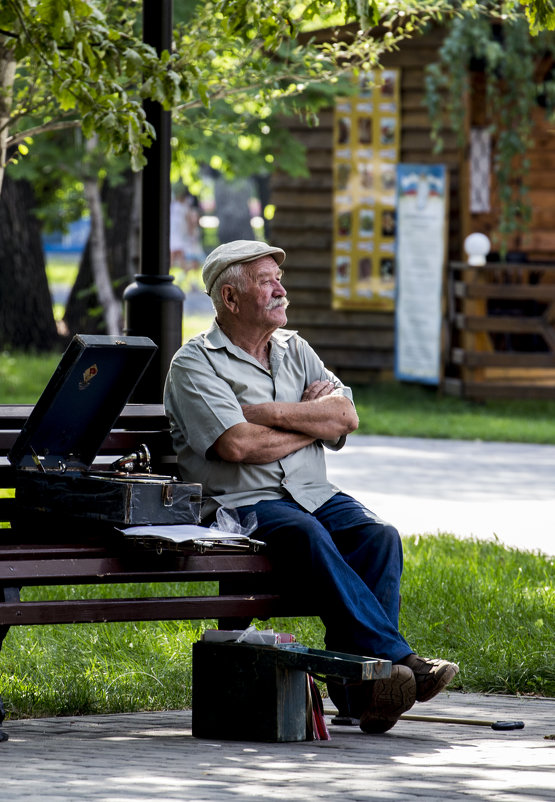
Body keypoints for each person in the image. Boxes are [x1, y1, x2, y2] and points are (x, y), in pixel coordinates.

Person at [164, 239, 459, 733]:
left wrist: (269, 415)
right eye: (266, 282)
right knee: (305, 534)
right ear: (231, 299)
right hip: (240, 504)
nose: (281, 290)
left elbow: (345, 415)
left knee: (378, 536)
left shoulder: (294, 348)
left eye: (279, 280)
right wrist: (309, 420)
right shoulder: (195, 364)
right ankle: (390, 666)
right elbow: (236, 446)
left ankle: (361, 692)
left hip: (313, 494)